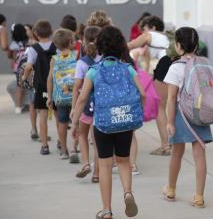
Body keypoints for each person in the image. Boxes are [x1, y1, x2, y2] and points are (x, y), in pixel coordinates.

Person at [72, 26, 144, 219]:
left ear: (100, 47)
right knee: (123, 161)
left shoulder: (93, 71)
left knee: (104, 166)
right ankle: (128, 193)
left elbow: (81, 99)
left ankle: (106, 210)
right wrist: (136, 112)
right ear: (121, 46)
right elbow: (142, 93)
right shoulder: (128, 68)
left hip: (103, 124)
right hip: (124, 121)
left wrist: (75, 122)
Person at [162, 27, 212, 208]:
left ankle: (171, 189)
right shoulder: (204, 64)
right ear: (196, 45)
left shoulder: (175, 67)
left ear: (178, 45)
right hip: (200, 112)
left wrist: (169, 122)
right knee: (199, 155)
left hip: (181, 114)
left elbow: (171, 98)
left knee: (177, 152)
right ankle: (199, 196)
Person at [128, 16, 172, 156]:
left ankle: (166, 145)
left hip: (165, 64)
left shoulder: (151, 35)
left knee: (160, 107)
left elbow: (130, 45)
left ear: (152, 27)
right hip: (173, 64)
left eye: (144, 29)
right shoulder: (165, 38)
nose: (142, 33)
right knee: (168, 105)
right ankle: (169, 143)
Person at [71, 26, 101, 182]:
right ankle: (97, 174)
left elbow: (77, 87)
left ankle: (85, 163)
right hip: (103, 105)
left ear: (83, 41)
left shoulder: (82, 62)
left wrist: (74, 109)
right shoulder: (106, 59)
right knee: (97, 140)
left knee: (82, 134)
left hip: (86, 104)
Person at [22, 20, 56, 155]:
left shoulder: (33, 49)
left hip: (41, 86)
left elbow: (29, 66)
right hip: (57, 85)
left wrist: (25, 77)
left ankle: (44, 145)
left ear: (35, 33)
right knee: (59, 116)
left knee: (42, 115)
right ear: (51, 31)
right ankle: (61, 143)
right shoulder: (56, 46)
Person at [47, 29, 77, 160]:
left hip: (60, 97)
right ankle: (74, 148)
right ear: (71, 42)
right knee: (77, 123)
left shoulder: (54, 59)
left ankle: (64, 151)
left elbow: (50, 78)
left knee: (62, 123)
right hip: (76, 96)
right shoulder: (76, 55)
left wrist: (49, 96)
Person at [8, 23, 29, 114]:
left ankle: (18, 106)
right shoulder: (29, 42)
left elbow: (11, 56)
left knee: (20, 86)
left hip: (19, 67)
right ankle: (34, 104)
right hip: (29, 65)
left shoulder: (13, 44)